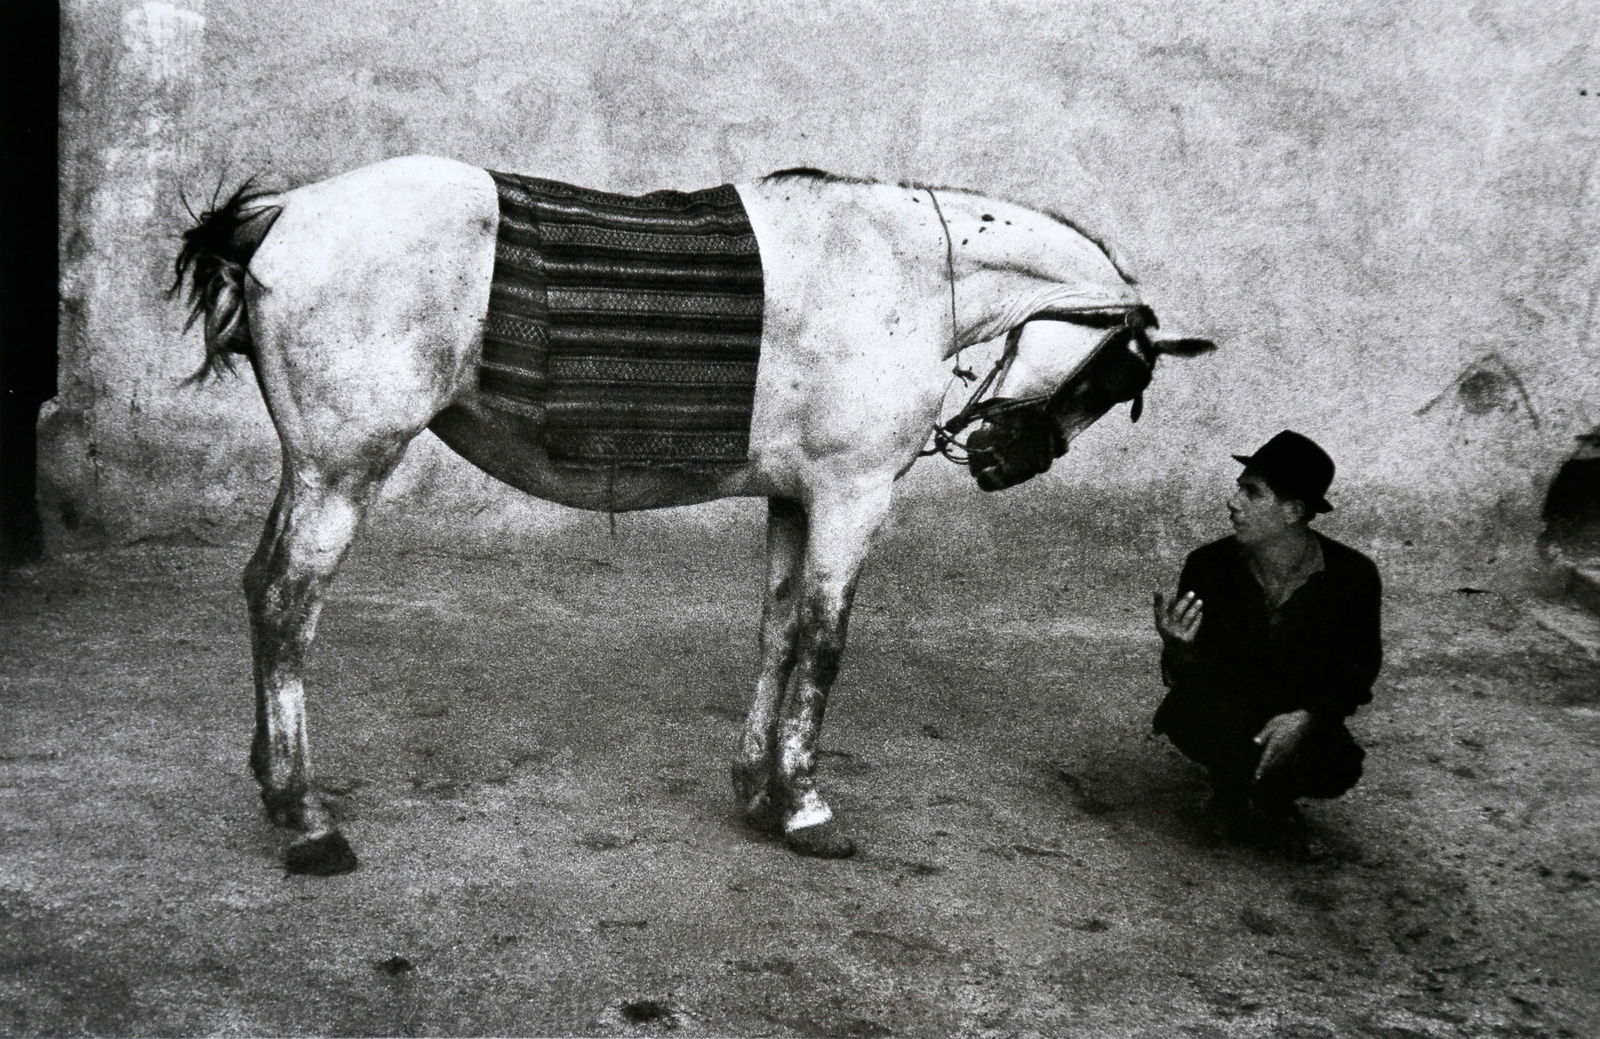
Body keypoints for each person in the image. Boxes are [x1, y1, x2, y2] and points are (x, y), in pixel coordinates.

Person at [1152, 430, 1382, 841]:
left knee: (1336, 766)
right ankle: (1230, 790)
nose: (1233, 502)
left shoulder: (1352, 577)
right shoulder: (1209, 566)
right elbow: (1196, 677)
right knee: (1192, 717)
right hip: (1231, 705)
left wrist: (1308, 717)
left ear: (1292, 510)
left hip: (1299, 709)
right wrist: (1179, 649)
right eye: (1239, 489)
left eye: (1252, 493)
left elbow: (1360, 666)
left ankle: (1277, 797)